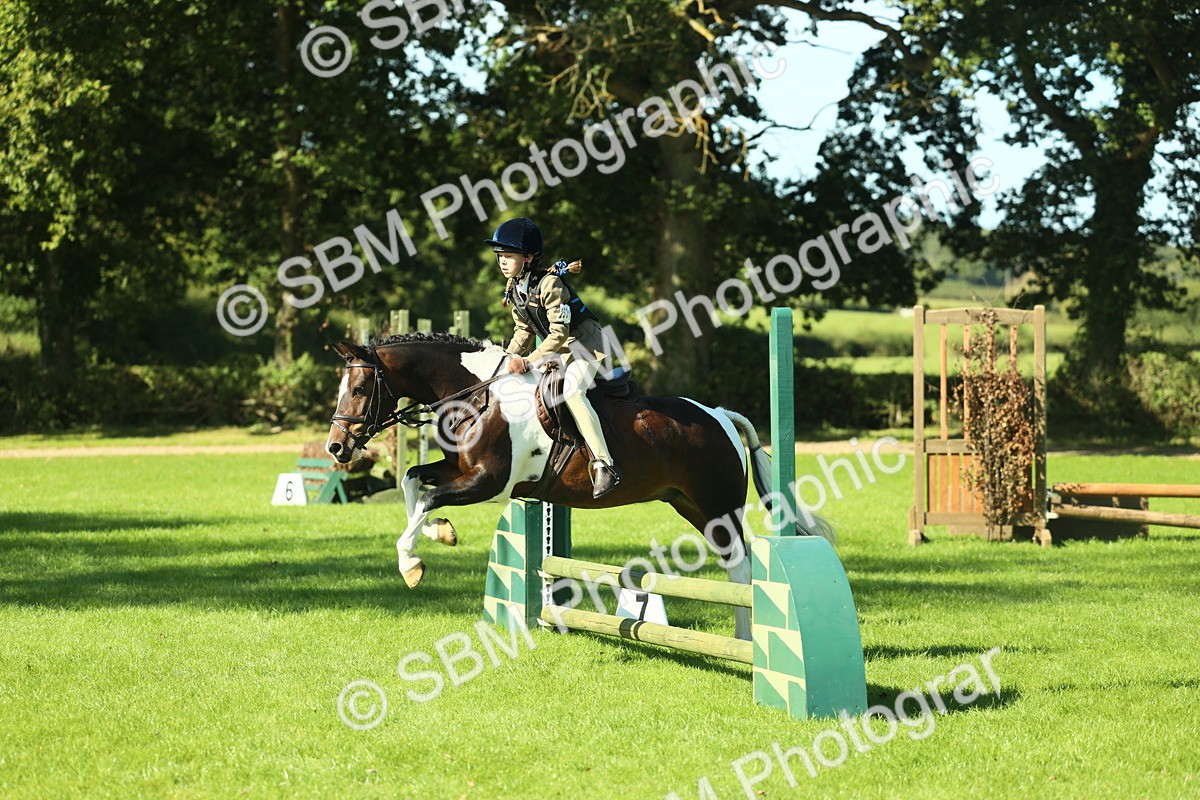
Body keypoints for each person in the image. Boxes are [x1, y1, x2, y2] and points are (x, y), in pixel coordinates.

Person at [486, 217, 622, 498]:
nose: (502, 261)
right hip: (558, 350)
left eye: (508, 255)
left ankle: (604, 464)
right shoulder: (515, 287)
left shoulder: (550, 284)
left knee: (572, 391)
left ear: (527, 257)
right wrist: (506, 358)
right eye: (500, 255)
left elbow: (559, 333)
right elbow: (523, 331)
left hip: (585, 344)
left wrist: (528, 361)